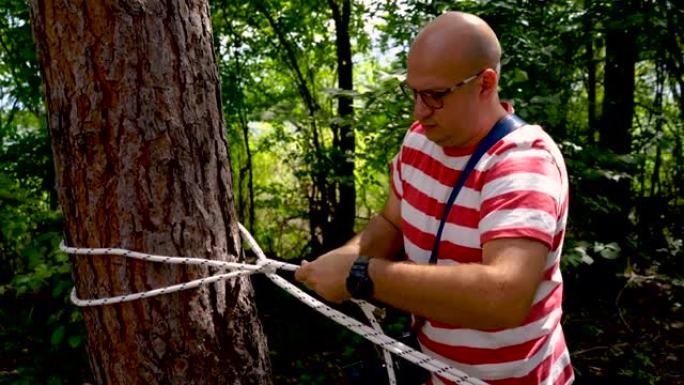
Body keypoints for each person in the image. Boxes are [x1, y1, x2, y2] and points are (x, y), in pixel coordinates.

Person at [295, 11, 574, 385]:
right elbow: (392, 222)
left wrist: (361, 276)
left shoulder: (522, 164)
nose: (419, 110)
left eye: (435, 95)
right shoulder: (420, 140)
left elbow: (503, 296)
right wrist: (350, 255)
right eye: (414, 92)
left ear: (485, 84)